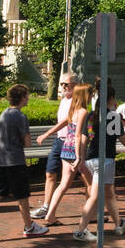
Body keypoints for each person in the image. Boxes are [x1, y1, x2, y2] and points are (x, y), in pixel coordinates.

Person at [0, 85, 48, 242]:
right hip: (16, 161)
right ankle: (29, 227)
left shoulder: (3, 114)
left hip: (1, 160)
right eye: (27, 95)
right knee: (22, 196)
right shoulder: (21, 117)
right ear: (22, 98)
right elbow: (27, 143)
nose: (28, 98)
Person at [73, 92, 125, 242]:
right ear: (111, 100)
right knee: (95, 196)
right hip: (105, 160)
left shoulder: (91, 116)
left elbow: (84, 139)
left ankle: (119, 223)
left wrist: (81, 158)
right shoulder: (113, 116)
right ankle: (81, 230)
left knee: (108, 193)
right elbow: (123, 139)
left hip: (91, 158)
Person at [39, 84, 94, 226]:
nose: (92, 96)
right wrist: (79, 157)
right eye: (90, 93)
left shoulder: (73, 110)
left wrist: (47, 134)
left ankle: (50, 215)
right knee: (91, 183)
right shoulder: (83, 112)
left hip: (66, 148)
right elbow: (77, 135)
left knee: (64, 184)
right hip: (76, 151)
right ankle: (91, 215)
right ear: (85, 96)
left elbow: (63, 123)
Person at [32, 73, 77, 218]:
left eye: (66, 84)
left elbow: (66, 121)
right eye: (62, 84)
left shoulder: (77, 101)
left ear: (75, 85)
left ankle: (94, 209)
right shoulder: (64, 100)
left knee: (84, 179)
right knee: (50, 173)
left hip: (71, 144)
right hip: (59, 141)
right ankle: (46, 207)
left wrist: (46, 134)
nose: (63, 87)